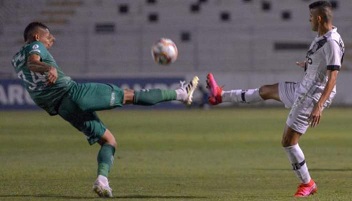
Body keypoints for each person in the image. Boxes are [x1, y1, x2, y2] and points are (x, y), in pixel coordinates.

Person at [11, 21, 199, 198]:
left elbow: (28, 66)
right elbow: (33, 62)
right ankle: (181, 94)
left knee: (109, 141)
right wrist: (47, 68)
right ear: (36, 37)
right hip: (74, 93)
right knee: (129, 95)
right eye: (47, 37)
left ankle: (102, 181)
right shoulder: (34, 47)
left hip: (62, 109)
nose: (51, 40)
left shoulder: (15, 59)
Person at [206, 1, 344, 197]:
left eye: (311, 17)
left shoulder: (331, 41)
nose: (309, 20)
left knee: (288, 141)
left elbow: (333, 76)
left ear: (319, 18)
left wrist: (319, 106)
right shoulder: (325, 37)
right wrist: (309, 64)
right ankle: (220, 96)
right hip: (304, 88)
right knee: (266, 91)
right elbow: (324, 65)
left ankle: (308, 183)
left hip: (311, 97)